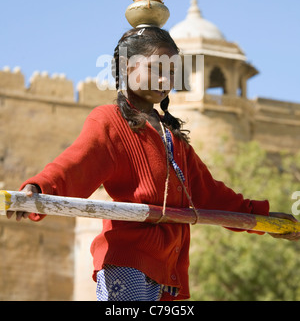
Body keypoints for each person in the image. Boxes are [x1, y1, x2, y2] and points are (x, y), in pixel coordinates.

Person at [7, 26, 300, 301]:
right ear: (125, 69)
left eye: (171, 72)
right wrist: (39, 187)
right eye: (156, 69)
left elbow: (210, 194)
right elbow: (76, 163)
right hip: (127, 263)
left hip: (170, 270)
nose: (165, 81)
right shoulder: (109, 121)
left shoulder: (172, 135)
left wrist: (264, 218)